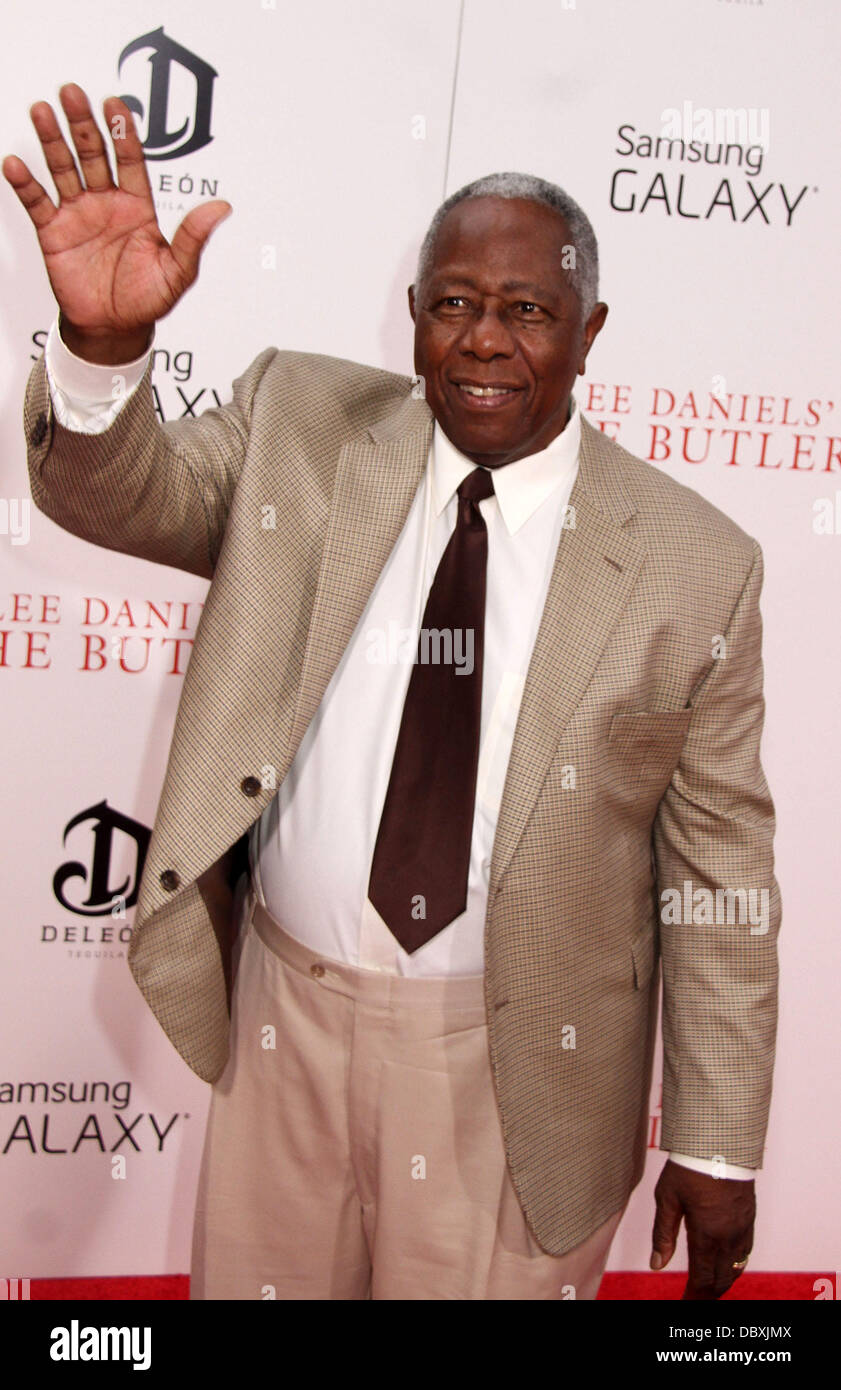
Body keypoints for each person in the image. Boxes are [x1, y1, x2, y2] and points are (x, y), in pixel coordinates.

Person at [4, 84, 780, 1301]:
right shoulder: (299, 427)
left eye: (528, 311)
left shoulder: (695, 564)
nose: (484, 340)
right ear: (414, 313)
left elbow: (720, 866)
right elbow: (119, 496)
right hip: (285, 1030)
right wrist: (105, 347)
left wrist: (718, 1134)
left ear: (591, 329)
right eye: (458, 305)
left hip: (516, 1068)